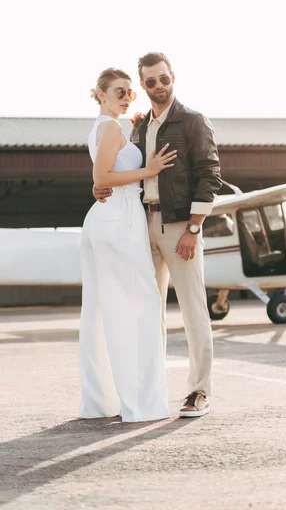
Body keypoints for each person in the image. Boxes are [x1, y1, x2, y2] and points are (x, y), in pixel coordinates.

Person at [94, 53, 222, 417]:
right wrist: (100, 188)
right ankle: (149, 391)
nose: (158, 86)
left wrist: (194, 228)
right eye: (150, 82)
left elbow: (209, 174)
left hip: (181, 225)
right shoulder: (137, 127)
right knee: (147, 312)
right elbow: (126, 171)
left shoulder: (193, 121)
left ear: (173, 78)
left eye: (163, 79)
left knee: (194, 309)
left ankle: (199, 391)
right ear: (143, 86)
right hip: (141, 225)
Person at [78, 67, 177, 423]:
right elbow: (102, 176)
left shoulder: (109, 127)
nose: (126, 96)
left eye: (129, 92)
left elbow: (105, 174)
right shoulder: (108, 127)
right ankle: (140, 403)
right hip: (118, 219)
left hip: (114, 216)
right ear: (101, 93)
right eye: (119, 91)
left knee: (106, 310)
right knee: (139, 307)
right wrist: (148, 171)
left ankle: (103, 399)